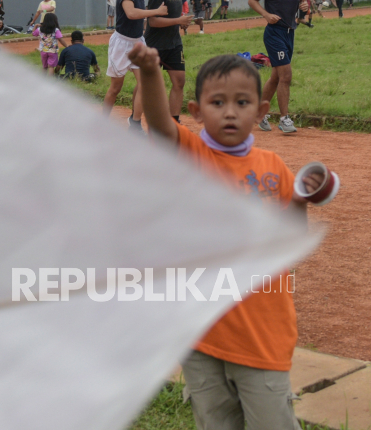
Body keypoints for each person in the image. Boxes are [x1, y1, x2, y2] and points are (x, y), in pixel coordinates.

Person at [127, 45, 326, 430]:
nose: (231, 111)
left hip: (262, 334)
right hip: (201, 337)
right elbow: (159, 122)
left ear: (261, 111)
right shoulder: (190, 154)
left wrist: (300, 204)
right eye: (217, 102)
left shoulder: (274, 167)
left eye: (242, 102)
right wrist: (151, 71)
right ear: (197, 111)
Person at [102, 0, 167, 131]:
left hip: (138, 42)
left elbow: (137, 16)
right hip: (121, 43)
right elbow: (131, 13)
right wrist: (156, 11)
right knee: (116, 88)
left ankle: (135, 123)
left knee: (145, 83)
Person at [247, 0, 309, 134]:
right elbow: (252, 0)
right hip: (274, 34)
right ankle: (284, 119)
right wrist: (266, 15)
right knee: (286, 76)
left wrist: (303, 6)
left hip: (290, 33)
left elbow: (300, 2)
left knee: (276, 77)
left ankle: (259, 113)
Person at [144, 0, 194, 123]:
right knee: (151, 88)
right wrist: (178, 21)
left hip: (174, 44)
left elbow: (174, 18)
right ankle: (142, 120)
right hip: (155, 46)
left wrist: (183, 22)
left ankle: (174, 121)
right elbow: (153, 21)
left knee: (179, 81)